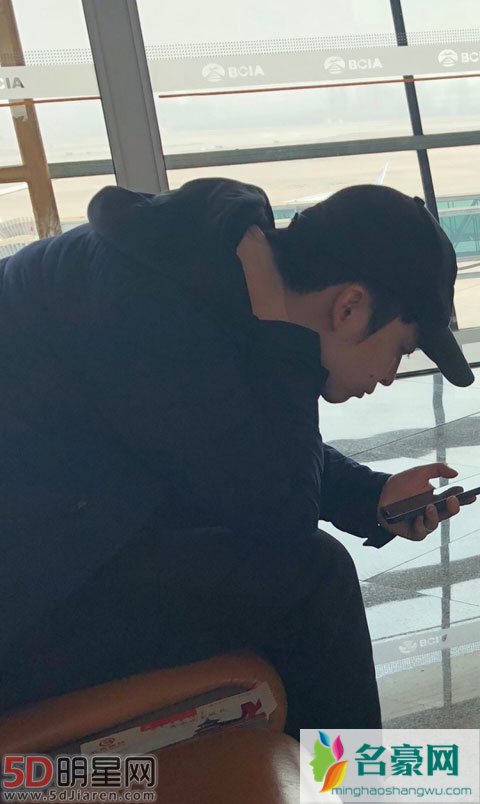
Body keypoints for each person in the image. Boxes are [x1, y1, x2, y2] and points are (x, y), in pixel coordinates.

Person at [0, 178, 475, 735]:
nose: (390, 375)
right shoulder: (153, 313)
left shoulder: (199, 265)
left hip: (57, 534)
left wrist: (370, 495)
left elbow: (223, 440)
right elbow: (281, 522)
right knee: (314, 585)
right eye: (400, 349)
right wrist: (293, 351)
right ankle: (345, 780)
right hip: (25, 609)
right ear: (349, 307)